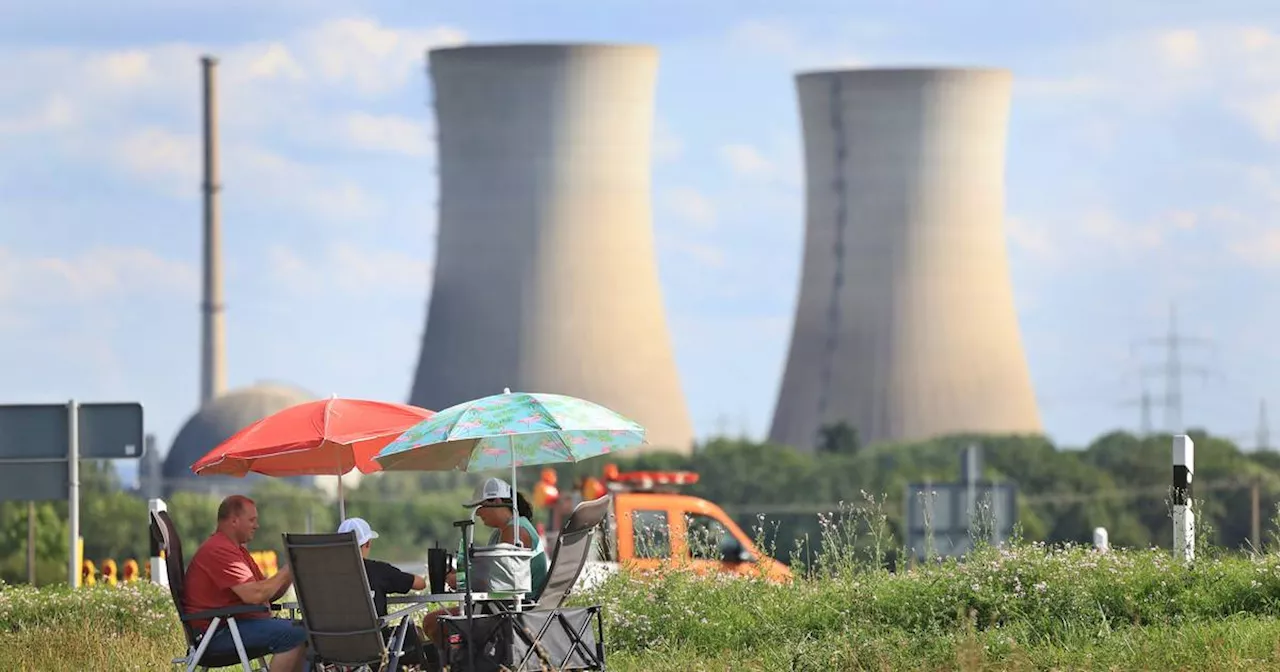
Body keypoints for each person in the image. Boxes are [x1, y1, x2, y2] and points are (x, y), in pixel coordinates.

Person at [421, 478, 548, 652]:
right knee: (433, 623)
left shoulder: (516, 531)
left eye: (480, 506)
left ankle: (465, 664)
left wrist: (460, 580)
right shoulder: (504, 530)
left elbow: (502, 584)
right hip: (502, 606)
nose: (478, 513)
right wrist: (461, 575)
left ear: (496, 502)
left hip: (512, 610)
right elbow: (497, 575)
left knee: (433, 623)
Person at [183, 495, 307, 672]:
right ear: (234, 521)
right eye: (252, 520)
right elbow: (255, 595)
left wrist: (293, 570)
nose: (256, 526)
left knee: (306, 631)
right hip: (217, 635)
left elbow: (268, 593)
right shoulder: (219, 549)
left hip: (234, 626)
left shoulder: (237, 550)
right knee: (296, 634)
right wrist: (287, 569)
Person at [336, 517, 433, 668]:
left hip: (330, 644)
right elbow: (420, 584)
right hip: (373, 644)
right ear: (368, 543)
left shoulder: (325, 574)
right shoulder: (379, 571)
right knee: (413, 633)